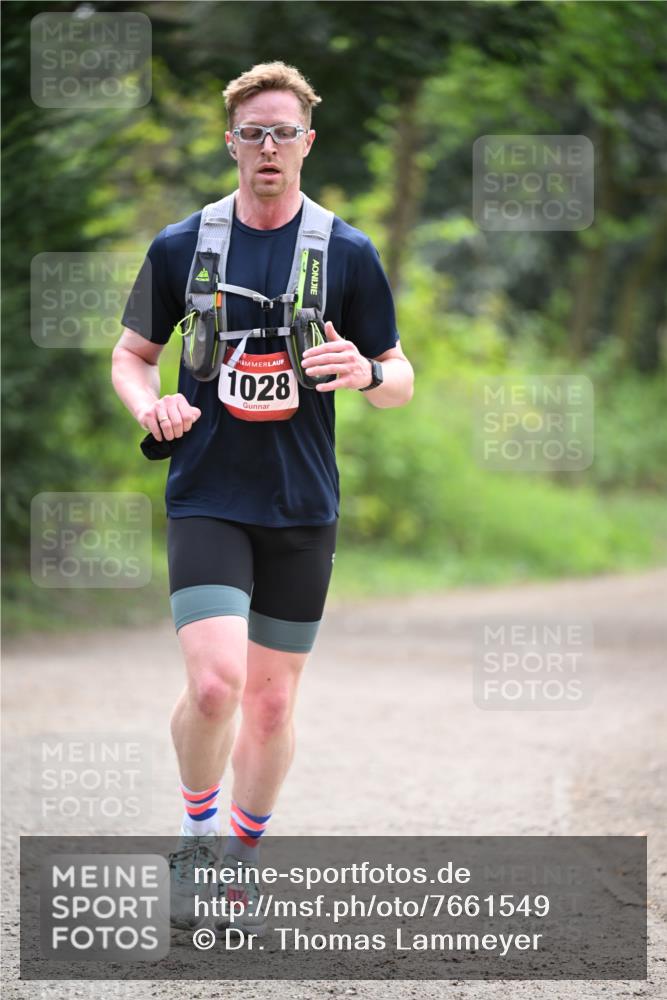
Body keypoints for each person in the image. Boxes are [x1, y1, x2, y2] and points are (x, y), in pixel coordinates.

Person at [112, 61, 414, 934]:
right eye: (253, 133)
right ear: (232, 143)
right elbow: (131, 356)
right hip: (206, 491)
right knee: (215, 687)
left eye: (284, 132)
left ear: (307, 143)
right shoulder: (182, 246)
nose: (268, 147)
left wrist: (364, 371)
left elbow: (399, 377)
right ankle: (195, 836)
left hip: (301, 504)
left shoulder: (347, 252)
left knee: (273, 702)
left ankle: (242, 860)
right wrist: (153, 402)